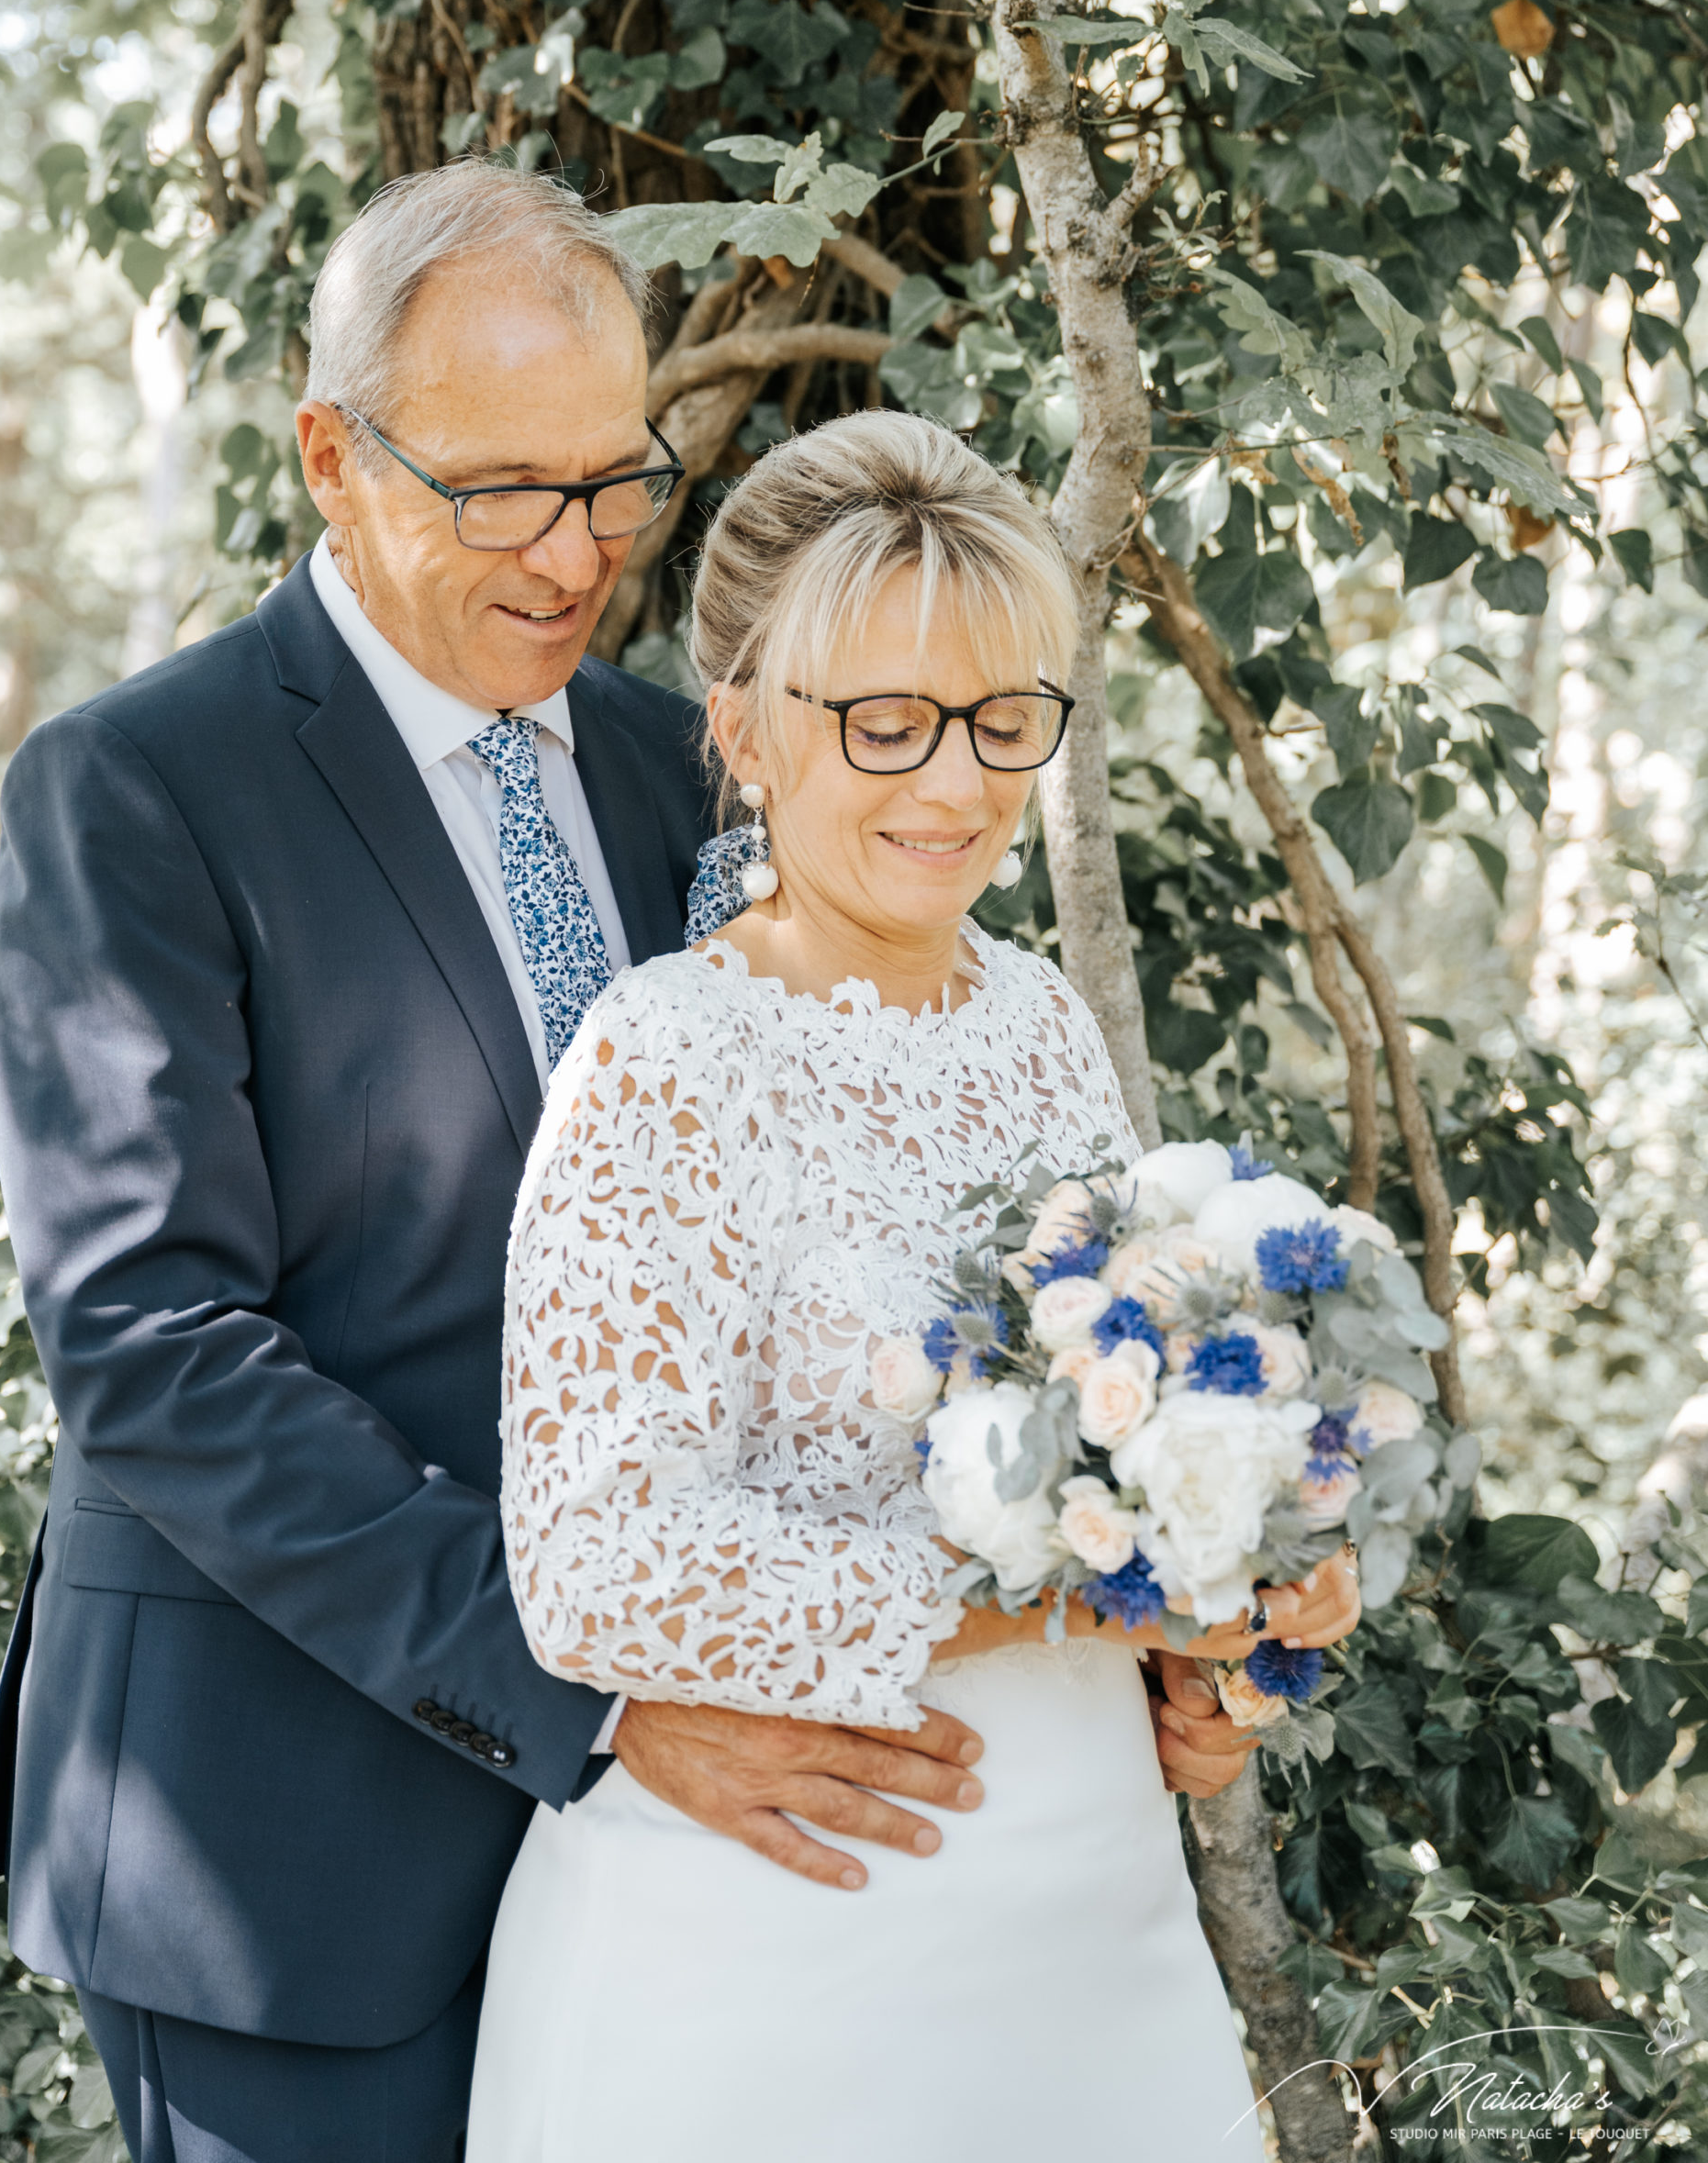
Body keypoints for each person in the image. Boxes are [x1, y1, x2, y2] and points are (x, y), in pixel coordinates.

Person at [0, 162, 1262, 2162]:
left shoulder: (703, 754)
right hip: (299, 1823)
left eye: (611, 480)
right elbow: (149, 1343)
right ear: (331, 452)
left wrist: (1148, 1588)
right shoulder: (137, 788)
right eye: (501, 491)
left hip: (742, 1858)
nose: (572, 554)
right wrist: (597, 1694)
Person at [468, 411, 1362, 2162]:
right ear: (743, 730)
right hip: (774, 1960)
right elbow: (593, 1562)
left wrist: (1235, 1607)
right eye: (883, 722)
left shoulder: (1043, 1030)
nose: (953, 786)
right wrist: (1054, 1587)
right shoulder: (662, 1061)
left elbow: (1131, 1430)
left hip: (1095, 1940)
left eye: (1001, 718)